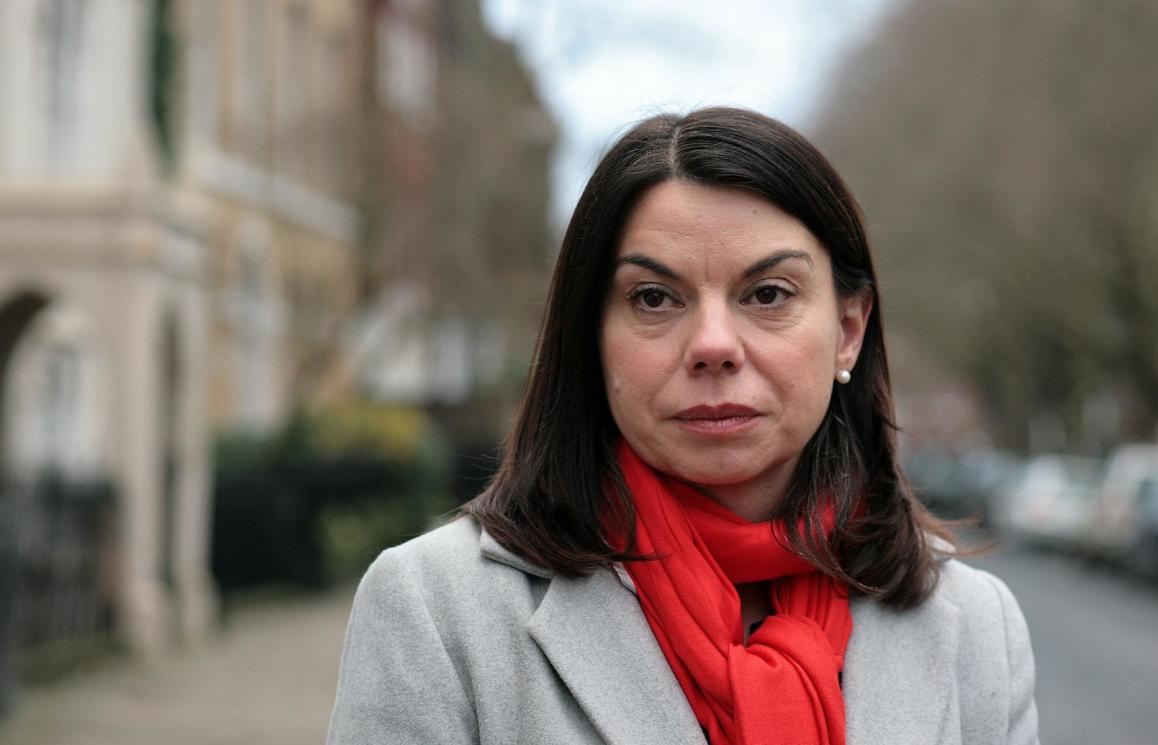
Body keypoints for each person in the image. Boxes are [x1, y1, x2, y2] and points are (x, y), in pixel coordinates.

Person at [326, 107, 1039, 745]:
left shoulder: (975, 628)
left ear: (848, 330)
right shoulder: (436, 609)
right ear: (592, 335)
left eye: (767, 293)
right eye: (655, 297)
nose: (713, 344)